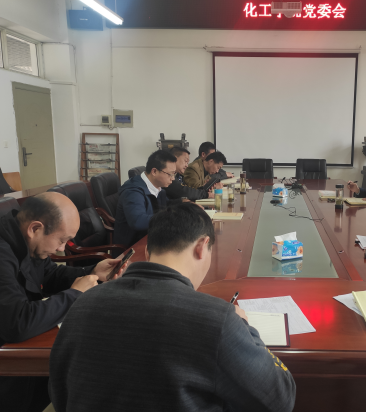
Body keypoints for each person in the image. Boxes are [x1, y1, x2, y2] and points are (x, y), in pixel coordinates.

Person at [49, 203, 297, 412]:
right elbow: (280, 398)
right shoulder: (215, 320)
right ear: (202, 246)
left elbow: (59, 394)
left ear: (148, 251)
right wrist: (244, 326)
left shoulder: (83, 304)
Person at [0, 192, 126, 412]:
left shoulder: (27, 242)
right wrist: (75, 294)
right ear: (35, 228)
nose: (61, 248)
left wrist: (92, 272)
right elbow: (17, 323)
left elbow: (49, 275)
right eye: (61, 240)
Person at [114, 150, 181, 247]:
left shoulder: (156, 187)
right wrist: (171, 218)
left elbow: (166, 204)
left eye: (174, 174)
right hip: (133, 247)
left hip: (152, 237)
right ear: (154, 171)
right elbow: (138, 221)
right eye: (170, 174)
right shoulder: (133, 192)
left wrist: (184, 203)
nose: (173, 178)